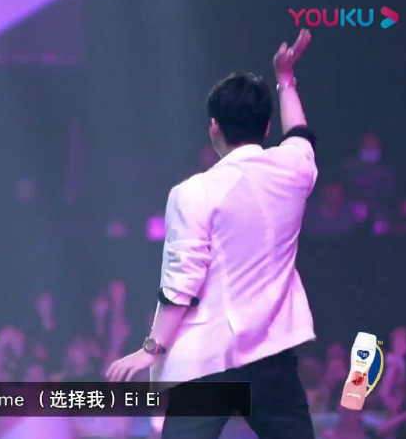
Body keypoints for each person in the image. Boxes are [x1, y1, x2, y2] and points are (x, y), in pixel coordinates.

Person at [107, 29, 318, 439]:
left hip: (208, 361)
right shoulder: (295, 170)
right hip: (271, 354)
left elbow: (181, 285)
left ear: (214, 126)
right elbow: (300, 135)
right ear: (266, 125)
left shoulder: (194, 192)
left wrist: (150, 349)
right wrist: (286, 79)